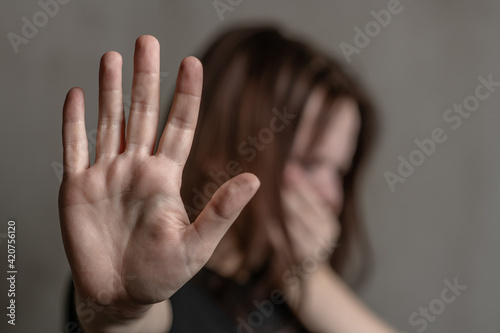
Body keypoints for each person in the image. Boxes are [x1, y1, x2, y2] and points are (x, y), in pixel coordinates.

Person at [59, 26, 397, 332]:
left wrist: (304, 275)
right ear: (228, 150)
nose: (332, 194)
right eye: (310, 163)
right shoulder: (156, 287)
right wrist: (123, 310)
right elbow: (135, 320)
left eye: (340, 171)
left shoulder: (289, 301)